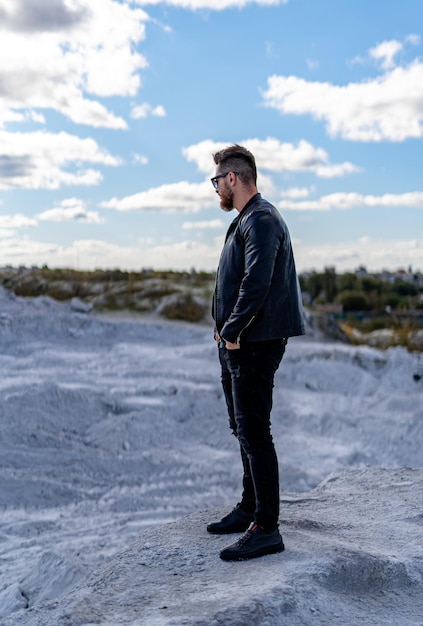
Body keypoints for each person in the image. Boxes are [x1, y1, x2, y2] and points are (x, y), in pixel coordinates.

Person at [208, 144, 305, 561]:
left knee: (255, 430)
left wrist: (231, 330)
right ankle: (250, 507)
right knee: (242, 427)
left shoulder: (261, 218)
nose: (215, 190)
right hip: (241, 341)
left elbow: (257, 281)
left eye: (217, 181)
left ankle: (267, 528)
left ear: (233, 178)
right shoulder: (249, 218)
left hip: (254, 342)